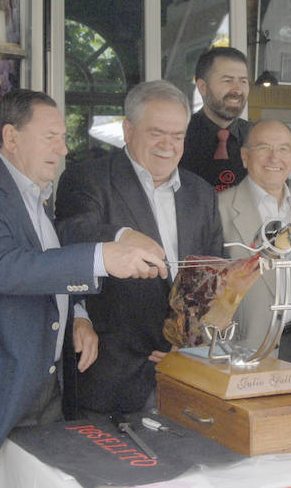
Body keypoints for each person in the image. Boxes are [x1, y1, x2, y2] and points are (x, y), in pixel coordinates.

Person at [0, 90, 166, 486]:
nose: (63, 148)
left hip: (47, 387)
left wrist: (78, 315)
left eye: (63, 137)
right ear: (11, 137)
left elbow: (47, 263)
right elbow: (3, 267)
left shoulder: (34, 192)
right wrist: (103, 257)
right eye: (50, 136)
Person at [56, 80, 223, 415]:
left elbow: (213, 272)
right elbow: (71, 236)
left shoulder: (200, 192)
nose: (169, 145)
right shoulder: (87, 178)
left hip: (185, 374)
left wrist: (191, 344)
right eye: (157, 133)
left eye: (178, 136)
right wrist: (121, 235)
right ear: (127, 129)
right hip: (111, 377)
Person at [218, 119, 291, 367]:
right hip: (245, 346)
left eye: (283, 149)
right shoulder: (219, 207)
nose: (274, 158)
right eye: (263, 148)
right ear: (245, 156)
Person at [179, 47, 251, 192]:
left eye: (243, 81)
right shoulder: (177, 136)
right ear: (203, 87)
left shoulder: (258, 137)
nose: (237, 90)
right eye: (228, 81)